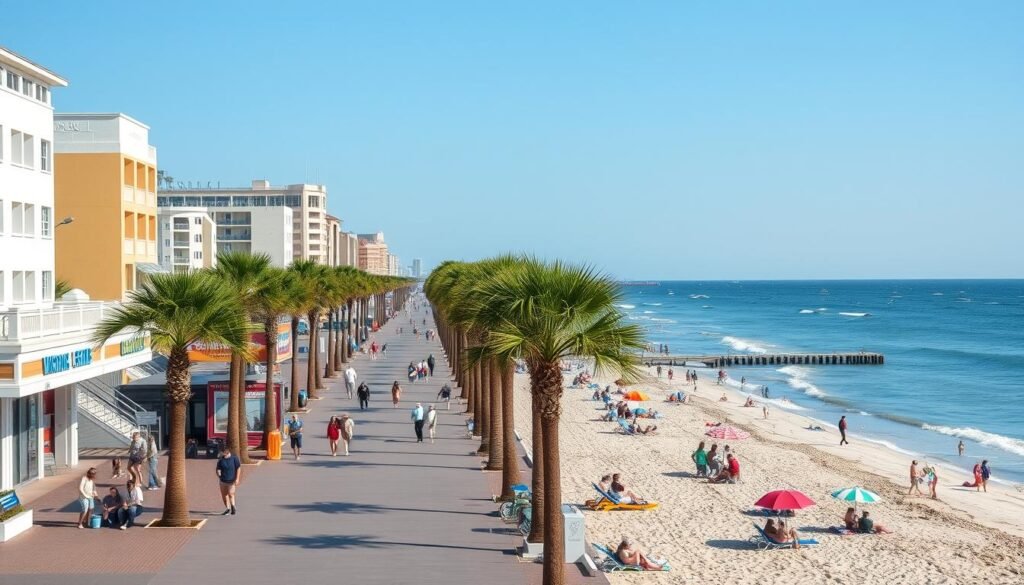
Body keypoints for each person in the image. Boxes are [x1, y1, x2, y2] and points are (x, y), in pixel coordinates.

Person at [215, 444, 241, 515]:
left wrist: (237, 478)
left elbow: (238, 468)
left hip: (231, 480)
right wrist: (219, 474)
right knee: (224, 495)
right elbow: (218, 468)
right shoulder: (221, 459)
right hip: (223, 480)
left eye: (223, 452)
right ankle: (228, 508)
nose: (222, 453)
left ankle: (233, 506)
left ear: (227, 451)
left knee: (231, 494)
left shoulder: (234, 458)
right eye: (222, 452)